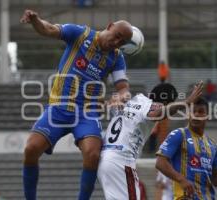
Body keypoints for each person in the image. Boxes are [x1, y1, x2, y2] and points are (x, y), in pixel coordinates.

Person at [20, 9, 133, 200]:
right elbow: (49, 29)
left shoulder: (116, 58)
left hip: (87, 113)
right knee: (31, 149)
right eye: (117, 36)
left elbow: (124, 88)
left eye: (122, 42)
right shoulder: (80, 34)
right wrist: (35, 21)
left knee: (93, 154)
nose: (116, 43)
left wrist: (121, 97)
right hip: (59, 107)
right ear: (110, 26)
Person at [97, 81, 203, 200]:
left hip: (104, 160)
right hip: (122, 161)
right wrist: (186, 102)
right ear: (165, 103)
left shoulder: (131, 102)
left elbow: (104, 106)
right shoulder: (151, 105)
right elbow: (156, 113)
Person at [155, 97, 217, 200]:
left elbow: (215, 179)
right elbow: (160, 162)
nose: (197, 115)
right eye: (193, 111)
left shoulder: (213, 145)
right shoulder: (179, 134)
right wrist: (181, 180)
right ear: (188, 115)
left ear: (207, 116)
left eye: (201, 112)